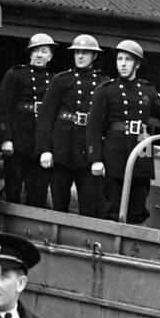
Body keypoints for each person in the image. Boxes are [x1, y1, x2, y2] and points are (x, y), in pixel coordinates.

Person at [87, 39, 160, 223]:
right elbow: (94, 128)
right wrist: (96, 159)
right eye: (120, 59)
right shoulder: (105, 90)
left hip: (142, 151)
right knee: (113, 207)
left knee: (138, 206)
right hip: (114, 153)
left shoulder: (147, 90)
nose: (123, 64)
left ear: (137, 64)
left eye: (128, 59)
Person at [37, 34, 109, 216]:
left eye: (86, 53)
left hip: (88, 152)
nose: (81, 56)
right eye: (77, 52)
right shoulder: (61, 80)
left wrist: (100, 156)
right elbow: (45, 117)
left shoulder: (104, 83)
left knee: (90, 206)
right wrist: (45, 149)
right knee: (58, 204)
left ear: (94, 56)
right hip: (62, 149)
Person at [0, 33, 55, 207]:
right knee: (13, 191)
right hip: (17, 144)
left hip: (40, 146)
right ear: (29, 54)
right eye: (35, 51)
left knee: (38, 194)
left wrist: (49, 147)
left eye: (44, 51)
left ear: (50, 56)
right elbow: (2, 108)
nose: (39, 55)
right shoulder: (15, 75)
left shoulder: (54, 80)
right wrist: (6, 139)